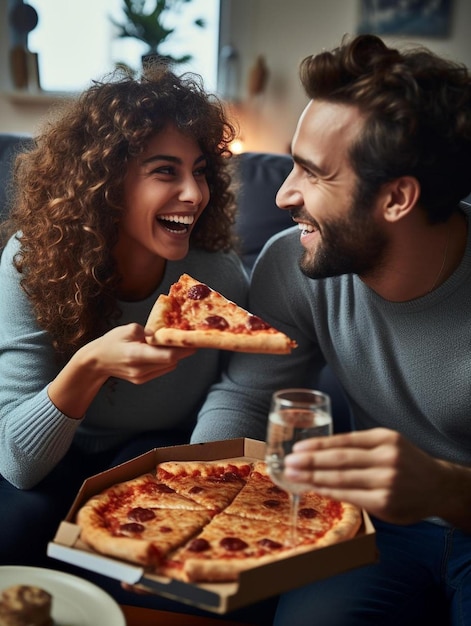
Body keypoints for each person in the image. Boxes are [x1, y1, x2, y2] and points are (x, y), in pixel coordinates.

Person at [192, 34, 471, 625]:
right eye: (291, 161)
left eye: (313, 173)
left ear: (397, 197)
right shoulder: (291, 260)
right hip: (371, 531)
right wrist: (201, 491)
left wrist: (450, 492)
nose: (283, 193)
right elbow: (247, 394)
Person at [0, 64, 249, 571]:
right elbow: (17, 464)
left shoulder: (216, 275)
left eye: (199, 170)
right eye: (166, 171)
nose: (194, 193)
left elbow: (243, 391)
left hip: (156, 452)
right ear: (104, 183)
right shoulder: (33, 261)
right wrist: (90, 366)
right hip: (49, 457)